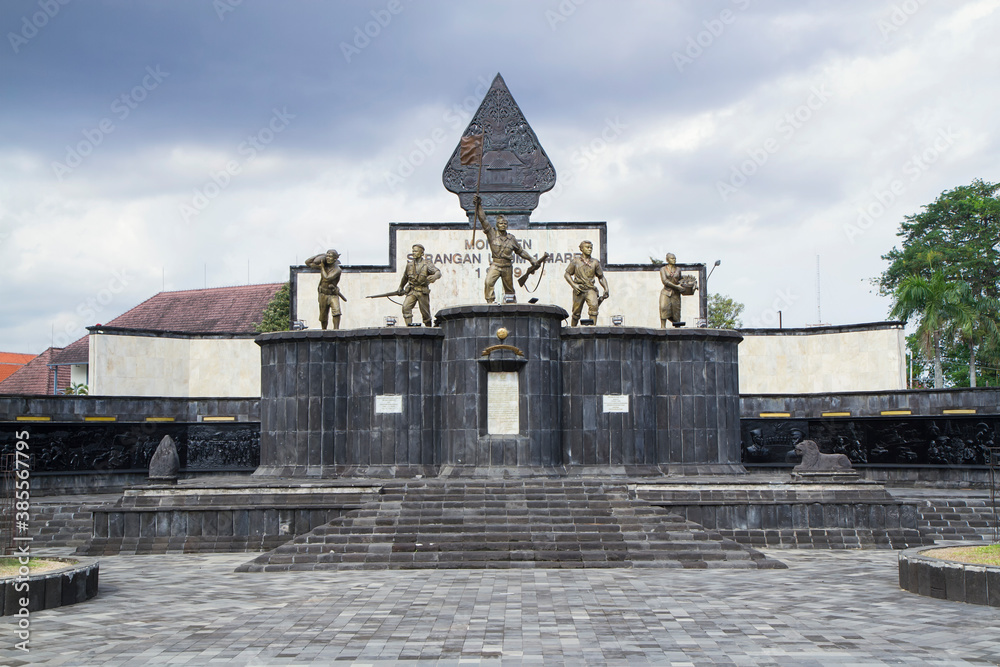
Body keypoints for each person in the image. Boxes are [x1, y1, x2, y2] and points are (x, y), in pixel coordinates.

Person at [474, 194, 537, 303]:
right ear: (497, 225)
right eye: (500, 223)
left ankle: (511, 304)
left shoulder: (511, 238)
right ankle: (490, 301)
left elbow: (520, 251)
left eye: (505, 223)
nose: (503, 225)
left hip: (507, 266)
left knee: (509, 290)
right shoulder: (492, 234)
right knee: (488, 282)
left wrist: (531, 259)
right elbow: (483, 220)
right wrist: (478, 205)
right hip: (496, 264)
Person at [564, 240, 609, 326]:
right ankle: (572, 330)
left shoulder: (595, 262)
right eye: (587, 247)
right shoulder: (576, 261)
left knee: (594, 307)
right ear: (581, 249)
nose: (589, 249)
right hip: (579, 289)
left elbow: (601, 277)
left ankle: (593, 329)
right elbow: (567, 274)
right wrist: (573, 285)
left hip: (590, 289)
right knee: (576, 313)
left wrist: (606, 288)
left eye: (591, 248)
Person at [397, 244, 441, 326]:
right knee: (405, 307)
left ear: (422, 253)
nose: (414, 252)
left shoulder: (427, 264)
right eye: (413, 251)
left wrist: (435, 276)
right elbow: (405, 278)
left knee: (425, 314)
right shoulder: (409, 265)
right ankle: (409, 327)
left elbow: (438, 272)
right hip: (412, 291)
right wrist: (400, 287)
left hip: (422, 291)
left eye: (416, 251)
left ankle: (429, 329)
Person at [304, 249, 343, 330]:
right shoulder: (325, 266)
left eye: (330, 257)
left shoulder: (337, 269)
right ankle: (324, 330)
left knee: (337, 312)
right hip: (323, 294)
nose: (328, 258)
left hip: (332, 294)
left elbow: (327, 278)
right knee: (323, 316)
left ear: (335, 259)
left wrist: (322, 268)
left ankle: (336, 330)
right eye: (327, 256)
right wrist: (319, 255)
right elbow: (307, 262)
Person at [659, 252, 683, 328]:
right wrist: (676, 287)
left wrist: (687, 283)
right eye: (672, 258)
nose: (674, 260)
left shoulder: (678, 269)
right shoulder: (663, 269)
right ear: (667, 260)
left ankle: (677, 329)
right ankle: (663, 327)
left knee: (676, 312)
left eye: (675, 258)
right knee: (663, 308)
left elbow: (680, 279)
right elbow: (665, 281)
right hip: (666, 292)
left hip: (675, 294)